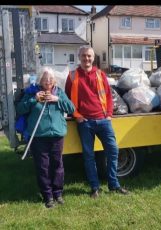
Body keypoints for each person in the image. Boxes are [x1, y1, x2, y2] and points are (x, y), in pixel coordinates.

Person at [65, 46, 128, 198]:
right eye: (84, 56)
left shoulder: (100, 74)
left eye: (89, 56)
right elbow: (67, 100)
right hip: (84, 122)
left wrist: (109, 114)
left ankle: (114, 184)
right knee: (89, 156)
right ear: (79, 57)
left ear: (93, 58)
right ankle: (95, 188)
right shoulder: (72, 76)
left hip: (103, 120)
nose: (87, 59)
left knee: (113, 151)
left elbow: (108, 96)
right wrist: (77, 116)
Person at [16, 67, 75, 208]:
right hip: (39, 136)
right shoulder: (32, 92)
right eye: (45, 78)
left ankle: (58, 193)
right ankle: (48, 196)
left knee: (57, 165)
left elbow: (71, 108)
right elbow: (20, 109)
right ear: (40, 80)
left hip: (57, 135)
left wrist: (57, 99)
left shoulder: (59, 92)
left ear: (54, 80)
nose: (48, 81)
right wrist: (33, 100)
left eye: (50, 78)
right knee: (43, 166)